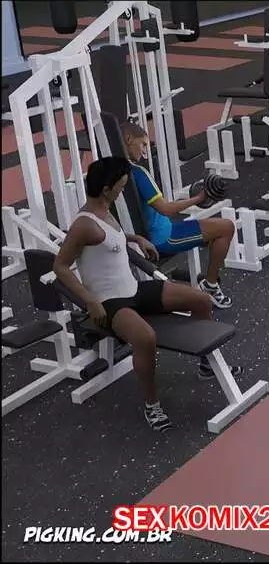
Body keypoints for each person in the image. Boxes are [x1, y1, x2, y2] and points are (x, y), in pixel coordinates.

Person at [54, 157, 243, 432]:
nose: (123, 191)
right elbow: (60, 266)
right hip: (110, 302)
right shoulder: (84, 224)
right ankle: (152, 405)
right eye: (120, 187)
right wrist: (89, 300)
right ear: (106, 189)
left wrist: (134, 239)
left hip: (134, 289)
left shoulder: (106, 210)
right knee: (146, 338)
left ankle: (205, 365)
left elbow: (109, 241)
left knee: (201, 299)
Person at [121, 122, 236, 309]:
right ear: (128, 139)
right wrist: (198, 198)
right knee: (226, 228)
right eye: (143, 144)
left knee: (212, 231)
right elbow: (166, 209)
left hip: (152, 233)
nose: (144, 151)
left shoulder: (111, 171)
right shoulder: (138, 173)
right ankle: (210, 286)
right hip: (164, 238)